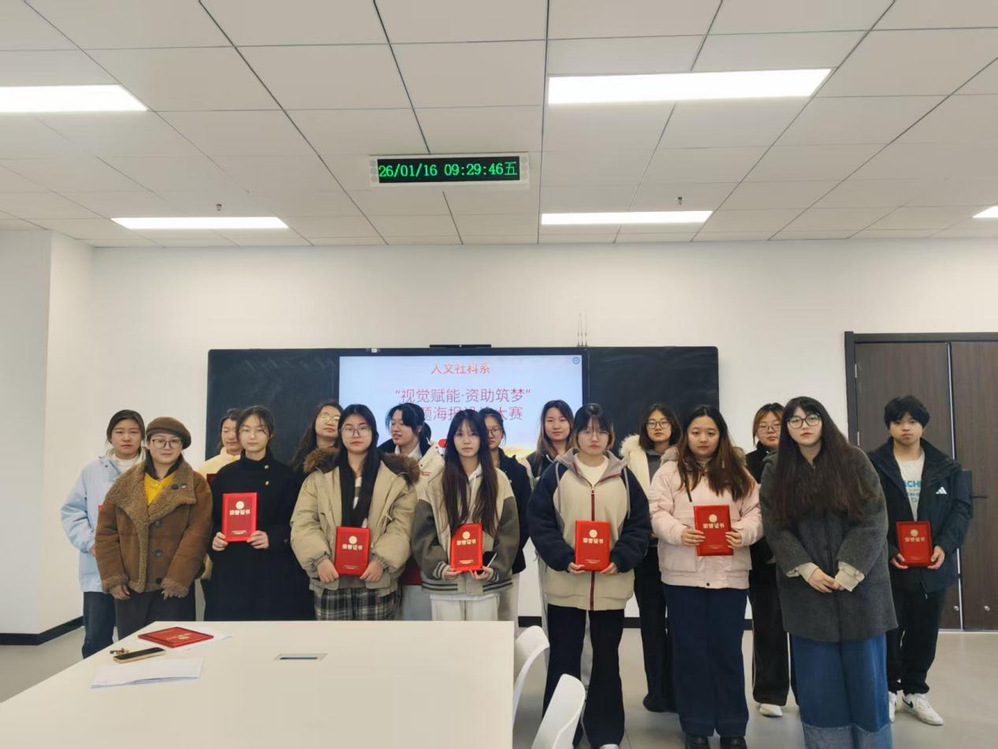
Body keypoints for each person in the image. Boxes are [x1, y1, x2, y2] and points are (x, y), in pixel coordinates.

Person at [760, 397, 896, 749]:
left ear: (824, 421)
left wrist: (849, 570)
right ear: (787, 428)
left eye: (811, 417)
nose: (803, 425)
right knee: (820, 688)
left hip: (861, 588)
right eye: (795, 420)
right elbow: (775, 527)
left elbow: (874, 519)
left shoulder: (853, 460)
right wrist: (806, 569)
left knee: (867, 684)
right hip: (807, 590)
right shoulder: (776, 468)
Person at [529, 404, 650, 749]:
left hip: (610, 586)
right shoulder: (557, 473)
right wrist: (564, 558)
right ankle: (562, 732)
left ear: (611, 435)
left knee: (606, 661)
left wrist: (621, 558)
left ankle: (606, 733)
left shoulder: (625, 476)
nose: (593, 437)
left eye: (601, 431)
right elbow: (540, 523)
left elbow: (639, 526)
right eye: (586, 430)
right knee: (563, 660)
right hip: (566, 585)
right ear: (576, 435)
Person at [649, 405, 761, 749]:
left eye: (710, 433)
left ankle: (732, 727)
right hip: (683, 576)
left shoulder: (739, 472)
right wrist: (679, 532)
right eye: (696, 432)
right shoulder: (668, 472)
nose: (703, 439)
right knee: (690, 652)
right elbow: (656, 512)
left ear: (720, 435)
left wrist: (741, 533)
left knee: (727, 651)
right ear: (686, 435)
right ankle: (695, 726)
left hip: (729, 576)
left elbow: (756, 513)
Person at [868, 395, 972, 727]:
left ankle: (915, 692)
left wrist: (945, 546)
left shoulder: (947, 466)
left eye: (912, 421)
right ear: (889, 426)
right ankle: (888, 690)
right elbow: (864, 513)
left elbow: (961, 510)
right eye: (898, 421)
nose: (906, 427)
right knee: (889, 630)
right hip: (889, 565)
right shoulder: (872, 464)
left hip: (932, 566)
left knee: (924, 632)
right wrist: (887, 549)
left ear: (923, 425)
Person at [291, 404, 418, 621]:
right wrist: (319, 560)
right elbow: (303, 522)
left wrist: (382, 561)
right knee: (333, 642)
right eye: (349, 428)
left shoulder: (396, 477)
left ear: (373, 433)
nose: (355, 434)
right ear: (340, 433)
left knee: (375, 642)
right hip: (331, 578)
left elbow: (403, 526)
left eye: (363, 428)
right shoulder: (320, 476)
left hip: (376, 581)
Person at [94, 417, 212, 639]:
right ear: (147, 443)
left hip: (171, 589)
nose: (167, 447)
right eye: (159, 441)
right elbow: (106, 533)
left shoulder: (195, 484)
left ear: (182, 446)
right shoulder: (125, 483)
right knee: (133, 649)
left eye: (174, 441)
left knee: (175, 649)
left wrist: (178, 579)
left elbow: (197, 534)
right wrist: (113, 577)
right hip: (131, 586)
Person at [411, 409, 519, 621]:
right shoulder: (435, 481)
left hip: (484, 584)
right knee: (447, 642)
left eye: (473, 434)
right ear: (452, 439)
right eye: (460, 434)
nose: (466, 440)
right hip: (446, 585)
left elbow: (509, 531)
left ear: (482, 438)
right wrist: (439, 566)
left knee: (482, 642)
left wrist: (494, 567)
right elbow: (423, 533)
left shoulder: (499, 480)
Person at [206, 406, 313, 621]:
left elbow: (297, 524)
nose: (252, 436)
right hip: (232, 569)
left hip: (271, 570)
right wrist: (215, 538)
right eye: (246, 430)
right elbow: (212, 521)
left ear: (270, 434)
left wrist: (273, 537)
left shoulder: (285, 476)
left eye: (259, 430)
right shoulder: (225, 476)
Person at [61, 410, 145, 657]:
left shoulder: (152, 470)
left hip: (139, 567)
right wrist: (91, 543)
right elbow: (72, 512)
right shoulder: (92, 472)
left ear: (142, 436)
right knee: (96, 637)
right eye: (120, 432)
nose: (126, 438)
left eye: (133, 432)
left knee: (137, 638)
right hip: (98, 568)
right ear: (110, 437)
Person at [619, 402, 680, 713]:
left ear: (673, 426)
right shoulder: (630, 459)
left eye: (663, 422)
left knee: (681, 625)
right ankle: (657, 692)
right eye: (652, 422)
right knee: (652, 624)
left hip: (681, 552)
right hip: (646, 554)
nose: (658, 427)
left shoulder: (686, 457)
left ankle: (679, 692)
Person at [744, 403, 794, 719]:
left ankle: (809, 692)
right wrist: (768, 549)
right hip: (761, 559)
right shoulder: (746, 464)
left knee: (804, 628)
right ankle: (769, 693)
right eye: (763, 425)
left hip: (803, 558)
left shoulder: (801, 458)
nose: (770, 430)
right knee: (768, 626)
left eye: (776, 424)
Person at [379, 402, 444, 621]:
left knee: (417, 614)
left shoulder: (436, 462)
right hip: (386, 541)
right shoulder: (380, 456)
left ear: (418, 427)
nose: (396, 428)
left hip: (420, 543)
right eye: (393, 423)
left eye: (403, 423)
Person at [480, 407, 532, 623]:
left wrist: (509, 549)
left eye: (496, 429)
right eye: (485, 430)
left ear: (502, 433)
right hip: (474, 557)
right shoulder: (467, 469)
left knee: (506, 617)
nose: (491, 435)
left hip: (509, 557)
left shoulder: (516, 470)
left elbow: (525, 516)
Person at [521, 399, 574, 487]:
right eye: (550, 421)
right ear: (543, 425)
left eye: (562, 420)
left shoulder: (581, 457)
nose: (556, 426)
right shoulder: (532, 462)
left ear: (570, 423)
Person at [289, 401, 342, 476]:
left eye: (337, 419)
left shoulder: (345, 459)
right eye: (324, 417)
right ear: (314, 421)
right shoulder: (300, 458)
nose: (330, 422)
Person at [198, 408, 242, 479]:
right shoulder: (206, 468)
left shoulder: (257, 465)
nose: (231, 436)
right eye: (226, 431)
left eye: (236, 430)